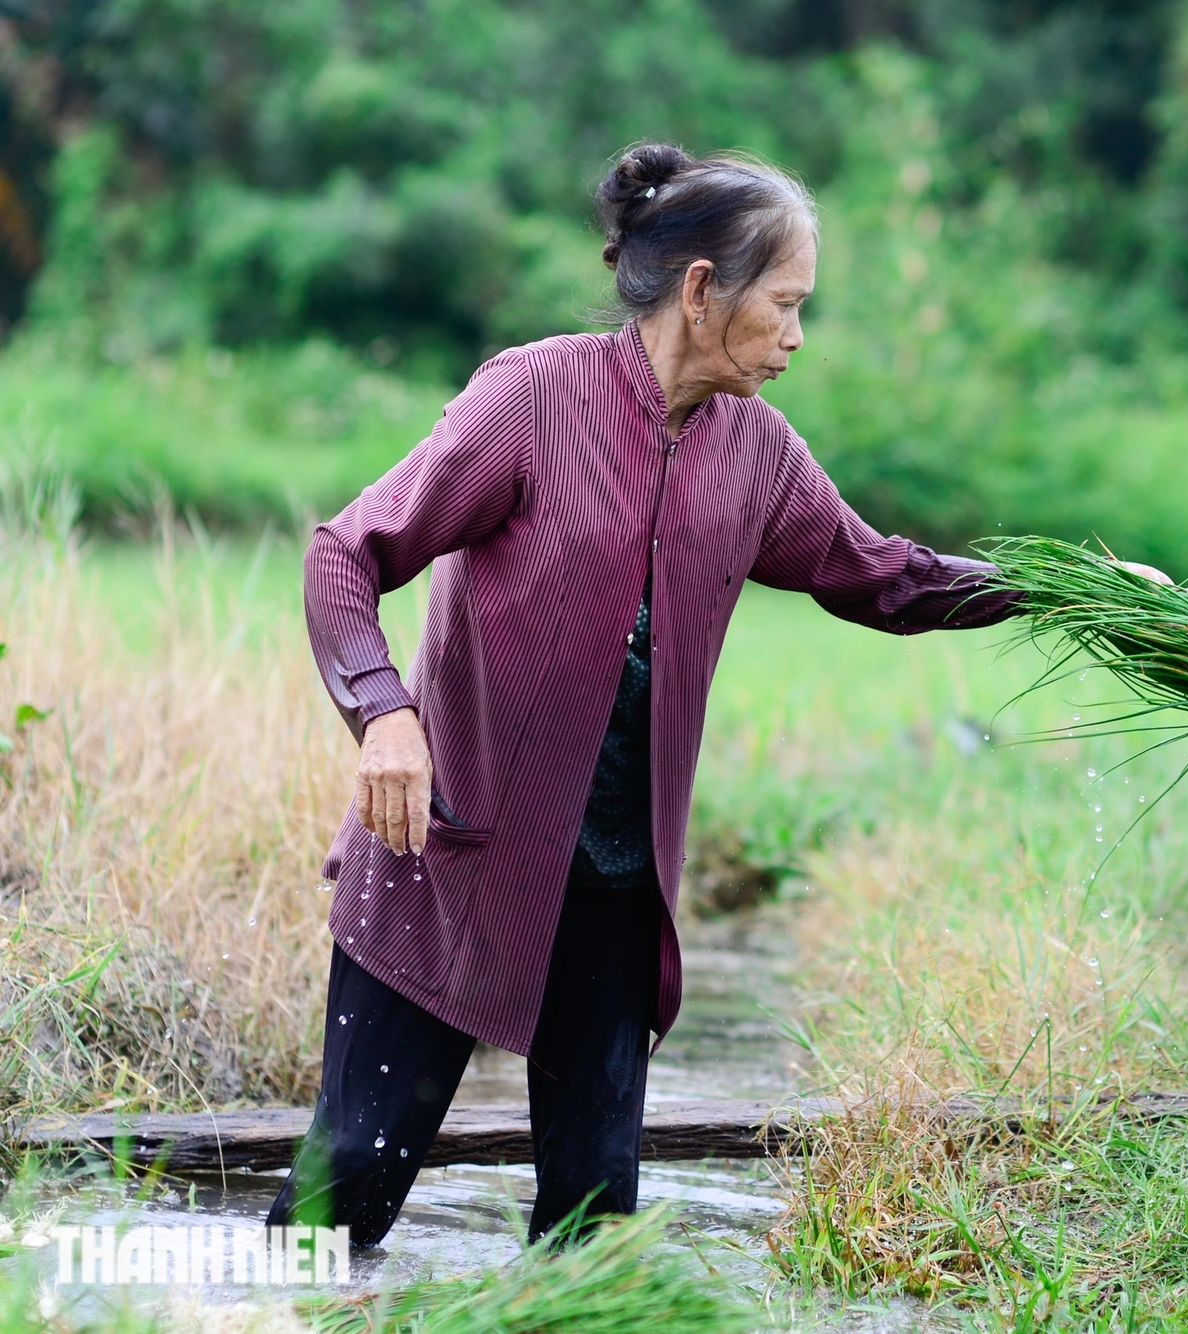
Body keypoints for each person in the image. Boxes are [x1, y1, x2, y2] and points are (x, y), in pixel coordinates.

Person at [268, 143, 1033, 1246]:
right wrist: (382, 713)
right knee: (344, 1195)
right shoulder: (528, 398)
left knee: (593, 1232)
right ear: (699, 290)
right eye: (784, 304)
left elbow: (886, 578)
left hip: (618, 898)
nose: (797, 337)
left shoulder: (759, 457)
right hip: (451, 861)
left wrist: (1062, 590)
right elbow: (344, 553)